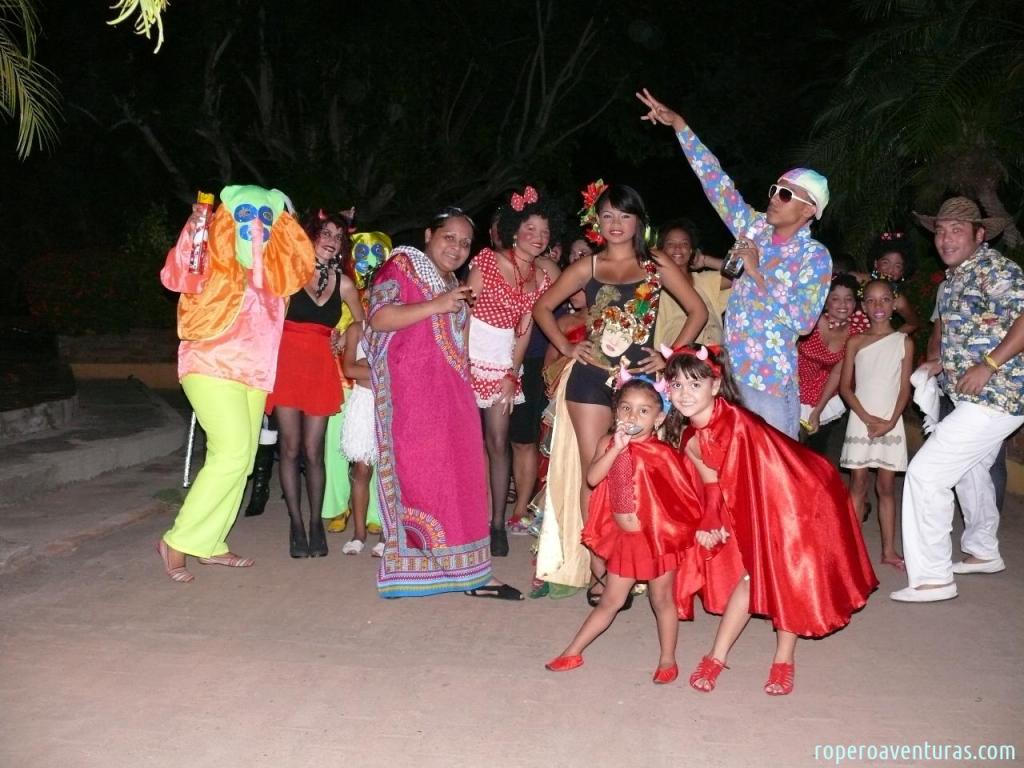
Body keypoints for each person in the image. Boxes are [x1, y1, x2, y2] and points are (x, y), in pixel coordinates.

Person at [532, 183, 708, 605]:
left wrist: (668, 358)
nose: (615, 224)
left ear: (638, 222)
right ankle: (599, 568)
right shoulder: (587, 267)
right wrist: (568, 345)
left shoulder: (656, 264)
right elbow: (541, 308)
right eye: (607, 216)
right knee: (597, 471)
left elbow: (697, 311)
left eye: (624, 216)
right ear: (597, 222)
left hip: (640, 386)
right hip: (591, 380)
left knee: (640, 473)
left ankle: (638, 561)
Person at [666, 344, 877, 695]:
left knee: (784, 572)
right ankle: (716, 656)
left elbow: (770, 475)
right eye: (676, 385)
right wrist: (710, 521)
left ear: (716, 386)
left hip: (800, 495)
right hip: (759, 498)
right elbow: (713, 486)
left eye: (695, 384)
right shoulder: (691, 436)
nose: (684, 393)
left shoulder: (737, 422)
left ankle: (784, 659)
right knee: (753, 576)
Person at [637, 88, 833, 438]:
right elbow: (717, 184)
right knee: (731, 472)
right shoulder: (754, 227)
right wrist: (680, 125)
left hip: (770, 383)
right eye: (775, 189)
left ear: (808, 210)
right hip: (730, 376)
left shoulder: (814, 256)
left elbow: (804, 323)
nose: (774, 197)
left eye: (786, 195)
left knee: (773, 478)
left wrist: (757, 273)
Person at [157, 184, 313, 582]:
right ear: (229, 219)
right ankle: (177, 540)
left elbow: (302, 273)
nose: (255, 226)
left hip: (254, 374)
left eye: (264, 218)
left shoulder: (275, 272)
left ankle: (210, 543)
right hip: (210, 364)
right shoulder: (210, 253)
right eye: (245, 216)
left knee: (240, 462)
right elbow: (176, 276)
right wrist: (195, 229)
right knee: (230, 454)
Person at [366, 207, 523, 600]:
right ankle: (416, 571)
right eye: (449, 237)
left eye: (465, 242)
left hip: (452, 396)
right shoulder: (402, 264)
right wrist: (437, 305)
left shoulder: (452, 280)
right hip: (413, 397)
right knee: (423, 481)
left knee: (463, 482)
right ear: (428, 235)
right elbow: (380, 318)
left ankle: (472, 573)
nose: (457, 247)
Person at [891, 197, 1023, 603]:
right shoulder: (951, 280)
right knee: (970, 472)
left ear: (980, 235)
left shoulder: (995, 269)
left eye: (957, 230)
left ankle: (932, 578)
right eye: (941, 230)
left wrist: (988, 363)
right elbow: (944, 331)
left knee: (926, 475)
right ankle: (983, 550)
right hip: (967, 395)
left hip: (998, 394)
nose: (945, 239)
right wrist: (934, 362)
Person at [545, 376, 701, 682]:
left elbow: (681, 499)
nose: (633, 417)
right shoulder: (607, 443)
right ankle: (572, 651)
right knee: (611, 601)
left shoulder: (665, 454)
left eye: (644, 411)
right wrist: (615, 449)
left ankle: (668, 658)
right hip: (626, 541)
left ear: (658, 419)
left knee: (662, 600)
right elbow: (592, 478)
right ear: (616, 412)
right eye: (627, 408)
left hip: (656, 541)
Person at [466, 187, 560, 557]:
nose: (538, 237)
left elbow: (524, 329)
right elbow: (463, 316)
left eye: (545, 232)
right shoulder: (486, 261)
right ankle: (467, 519)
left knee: (497, 439)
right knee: (469, 443)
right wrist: (457, 363)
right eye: (531, 229)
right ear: (514, 229)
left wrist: (512, 372)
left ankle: (495, 523)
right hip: (469, 352)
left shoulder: (541, 278)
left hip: (501, 358)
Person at [265, 211, 364, 559]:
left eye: (338, 236)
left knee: (314, 451)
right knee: (290, 449)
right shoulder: (290, 276)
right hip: (288, 364)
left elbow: (363, 325)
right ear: (309, 237)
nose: (331, 239)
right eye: (325, 232)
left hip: (321, 367)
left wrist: (343, 339)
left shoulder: (345, 284)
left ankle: (316, 523)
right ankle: (295, 523)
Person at [839, 279, 912, 570]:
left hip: (890, 422)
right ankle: (853, 549)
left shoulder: (903, 341)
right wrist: (867, 418)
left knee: (886, 487)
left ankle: (889, 551)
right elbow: (845, 387)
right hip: (861, 419)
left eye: (884, 300)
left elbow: (904, 390)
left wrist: (890, 422)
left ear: (894, 303)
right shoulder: (855, 342)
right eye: (871, 300)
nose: (878, 306)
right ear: (863, 306)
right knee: (857, 483)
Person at [797, 274, 861, 459]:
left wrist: (818, 411)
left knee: (817, 450)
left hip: (825, 393)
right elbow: (789, 352)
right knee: (790, 443)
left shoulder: (854, 335)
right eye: (836, 298)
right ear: (825, 302)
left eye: (849, 299)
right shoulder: (811, 322)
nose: (843, 304)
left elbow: (837, 373)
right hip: (794, 387)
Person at [339, 318, 383, 557]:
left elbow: (401, 368)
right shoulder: (357, 328)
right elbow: (349, 369)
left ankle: (388, 535)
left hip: (391, 401)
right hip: (363, 403)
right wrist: (379, 369)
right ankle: (358, 534)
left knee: (390, 472)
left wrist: (365, 366)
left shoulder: (400, 324)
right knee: (361, 470)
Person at [653, 218, 731, 347]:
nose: (677, 248)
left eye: (684, 244)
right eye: (670, 244)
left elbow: (742, 276)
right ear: (662, 251)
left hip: (715, 357)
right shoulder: (655, 286)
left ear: (691, 251)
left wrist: (705, 260)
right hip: (679, 360)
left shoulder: (704, 280)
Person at [849, 233, 921, 336]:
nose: (890, 270)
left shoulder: (897, 298)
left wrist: (888, 340)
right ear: (875, 263)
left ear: (902, 272)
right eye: (886, 263)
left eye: (897, 266)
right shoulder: (855, 280)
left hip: (868, 347)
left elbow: (913, 323)